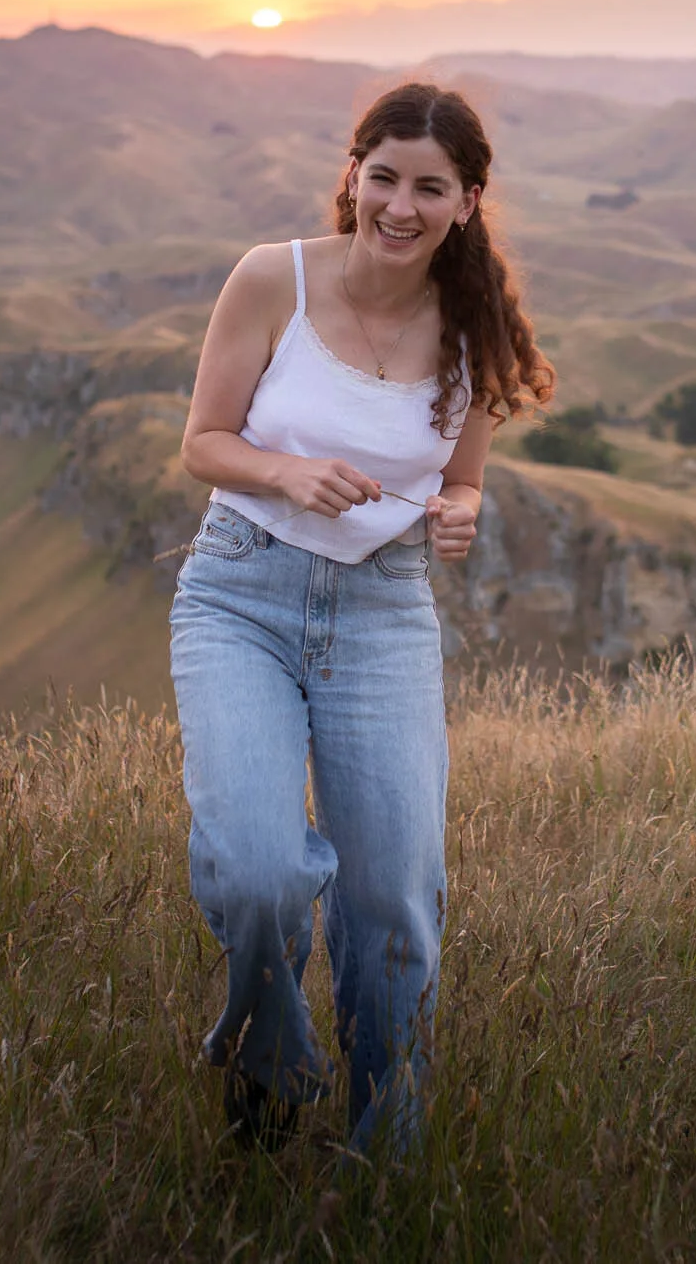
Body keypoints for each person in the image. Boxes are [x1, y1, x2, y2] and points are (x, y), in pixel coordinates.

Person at [171, 80, 555, 1162]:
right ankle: (270, 1061)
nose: (399, 203)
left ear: (467, 201)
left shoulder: (475, 333)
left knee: (393, 900)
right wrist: (287, 473)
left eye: (429, 186)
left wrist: (461, 517)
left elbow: (465, 482)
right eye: (382, 176)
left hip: (384, 612)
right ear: (352, 175)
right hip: (239, 592)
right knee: (257, 871)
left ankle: (387, 1153)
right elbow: (203, 442)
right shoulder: (271, 278)